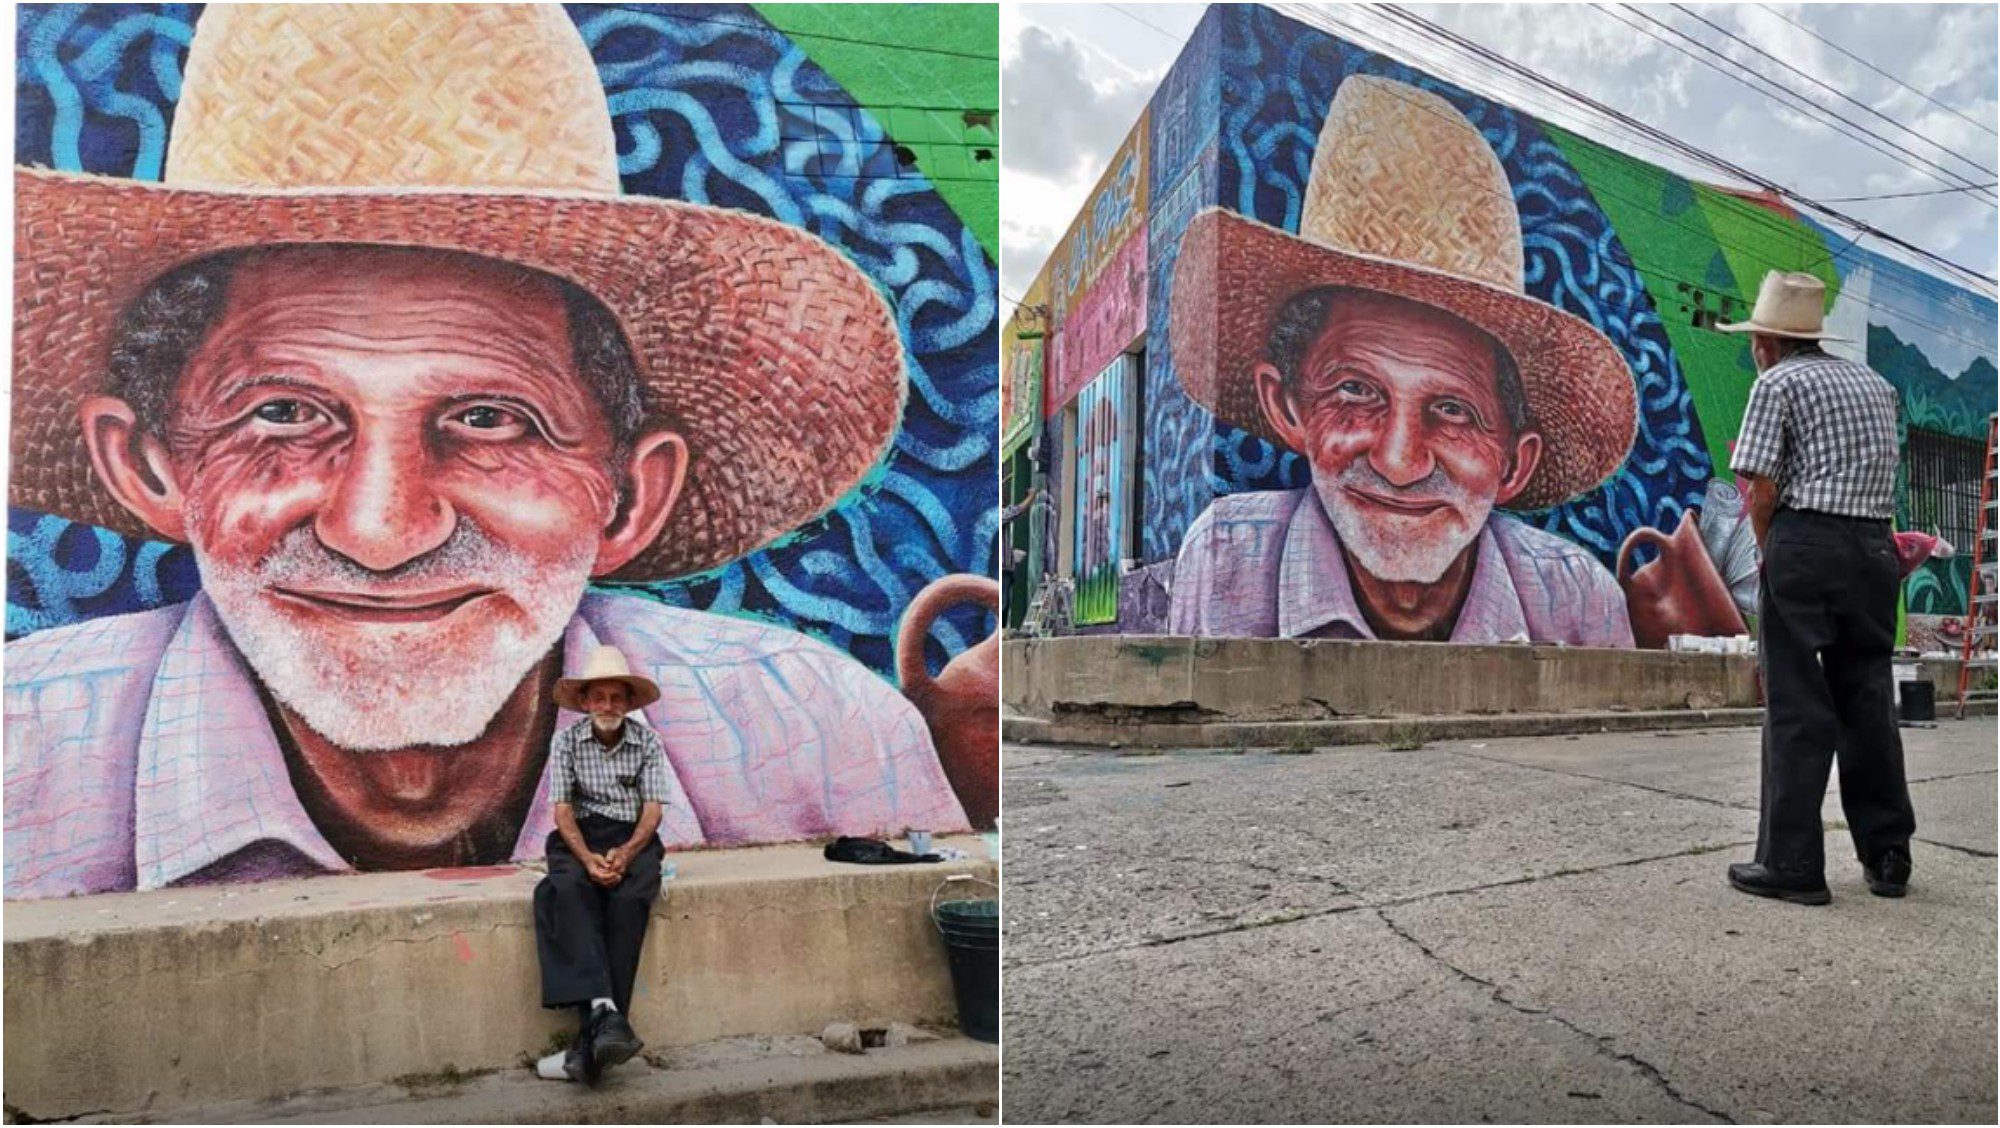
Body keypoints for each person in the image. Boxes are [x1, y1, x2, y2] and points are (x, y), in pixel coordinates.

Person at [5, 4, 968, 899]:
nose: (381, 532)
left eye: (491, 420)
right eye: (286, 414)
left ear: (629, 498)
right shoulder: (20, 765)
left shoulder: (824, 744)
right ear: (151, 470)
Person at [1165, 76, 1637, 646]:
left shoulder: (1578, 602)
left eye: (1454, 409)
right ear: (1287, 406)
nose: (1398, 462)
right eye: (1355, 392)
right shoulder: (1224, 563)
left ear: (1514, 463)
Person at [1721, 270, 1915, 905]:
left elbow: (1763, 486)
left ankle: (1794, 865)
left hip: (1805, 541)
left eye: (1756, 339)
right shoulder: (1877, 385)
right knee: (1867, 699)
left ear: (1768, 342)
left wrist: (1770, 551)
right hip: (1872, 548)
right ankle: (1888, 857)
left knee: (1796, 702)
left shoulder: (1777, 382)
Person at [533, 646, 670, 1085]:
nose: (607, 706)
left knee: (629, 899)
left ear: (628, 703)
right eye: (599, 697)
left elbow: (652, 811)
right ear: (586, 702)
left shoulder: (647, 741)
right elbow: (562, 811)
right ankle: (607, 1016)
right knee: (565, 890)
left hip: (633, 836)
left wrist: (627, 853)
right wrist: (587, 858)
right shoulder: (566, 741)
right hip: (581, 837)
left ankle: (590, 1042)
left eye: (616, 697)